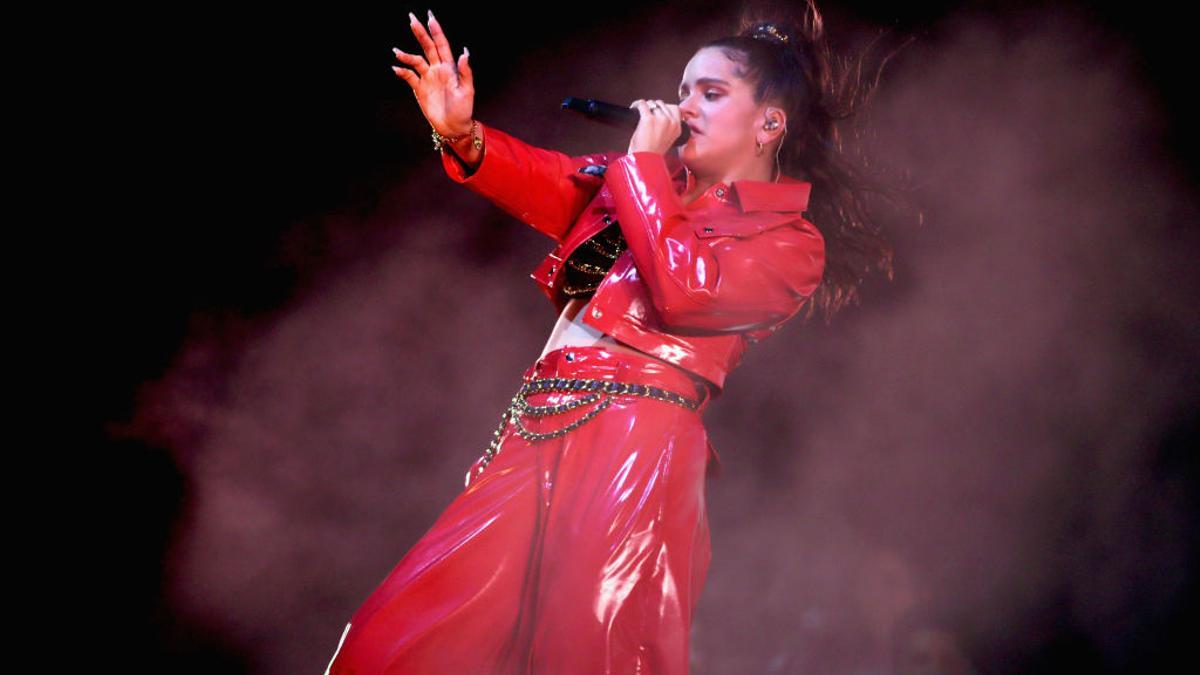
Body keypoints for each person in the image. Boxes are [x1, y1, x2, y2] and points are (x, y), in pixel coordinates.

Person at [326, 2, 908, 673]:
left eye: (711, 93)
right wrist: (460, 134)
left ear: (770, 124)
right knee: (395, 639)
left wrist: (643, 169)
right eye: (683, 88)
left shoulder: (789, 242)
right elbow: (540, 179)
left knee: (593, 649)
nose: (684, 105)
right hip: (538, 425)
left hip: (638, 438)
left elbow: (688, 291)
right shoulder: (633, 180)